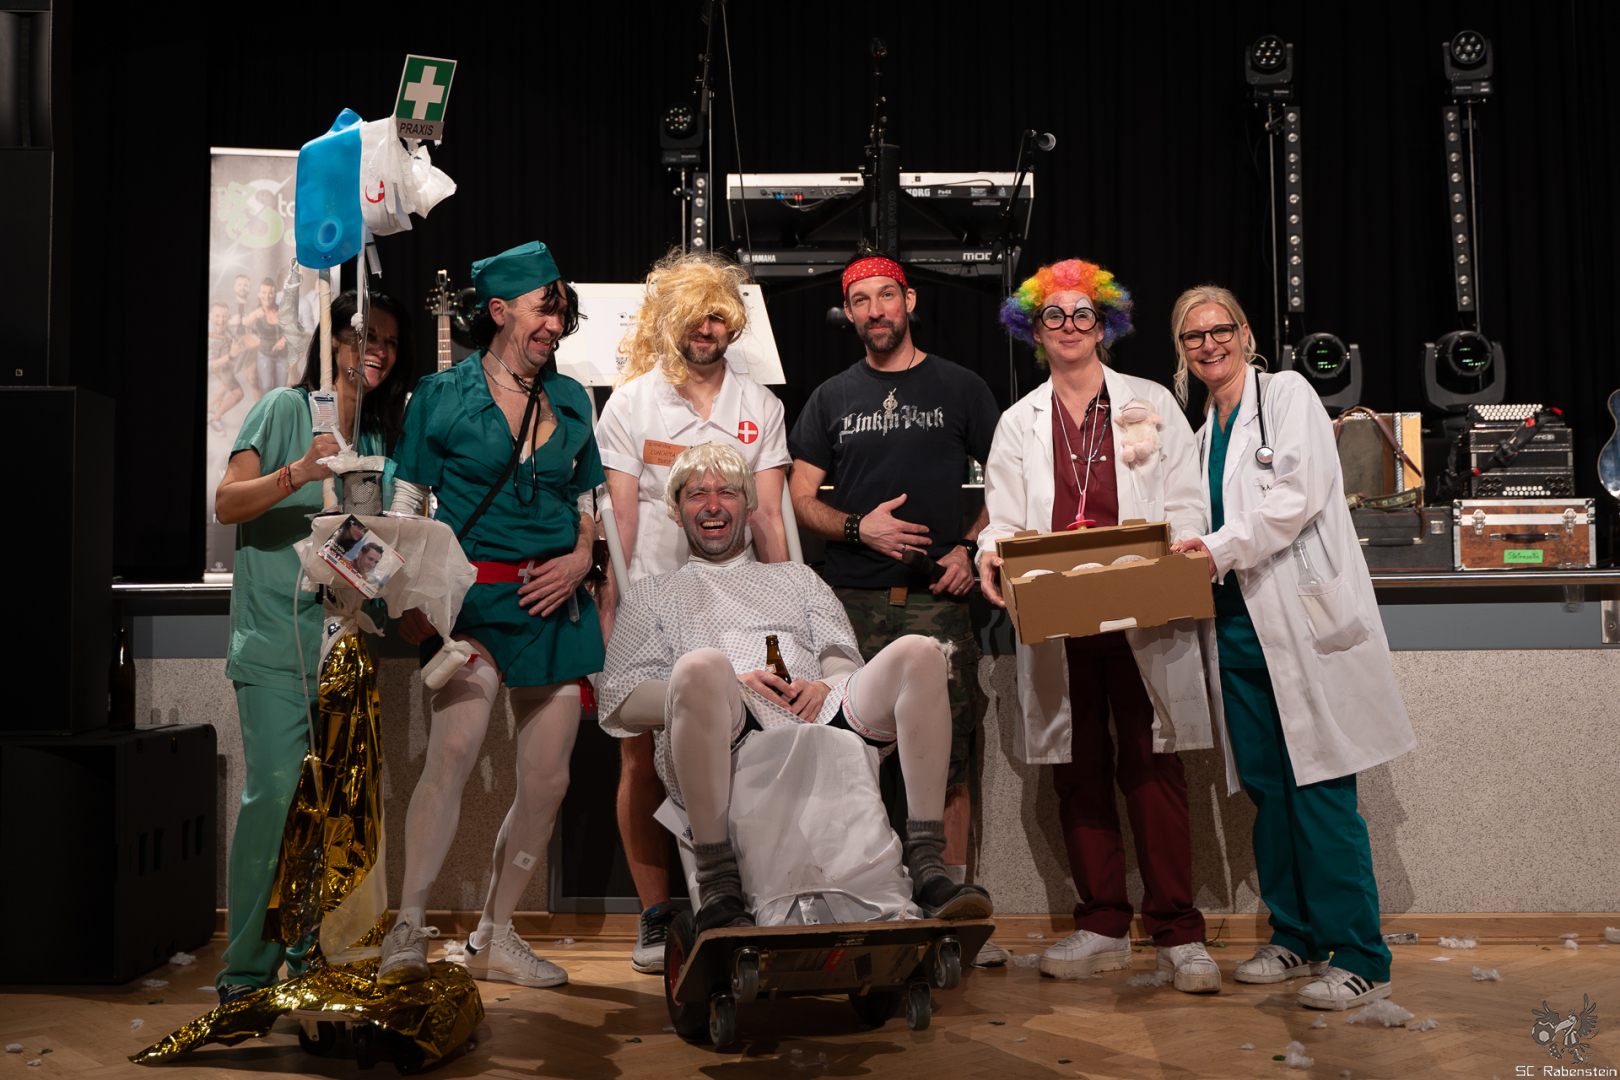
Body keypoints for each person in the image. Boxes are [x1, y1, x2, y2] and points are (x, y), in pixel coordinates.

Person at [598, 443, 992, 932]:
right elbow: (623, 700)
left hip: (818, 714)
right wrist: (722, 687)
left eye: (727, 492)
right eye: (697, 494)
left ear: (748, 506)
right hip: (726, 729)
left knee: (922, 651)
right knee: (702, 666)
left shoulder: (797, 578)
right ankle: (718, 880)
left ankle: (928, 864)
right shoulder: (653, 594)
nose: (713, 504)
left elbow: (842, 661)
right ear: (677, 513)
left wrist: (826, 686)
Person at [1166, 284, 1416, 1010]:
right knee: (1270, 795)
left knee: (1322, 792)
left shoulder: (1287, 395)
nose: (1209, 344)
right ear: (1181, 351)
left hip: (1303, 629)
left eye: (1220, 330)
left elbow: (1294, 498)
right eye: (1193, 336)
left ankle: (1361, 955)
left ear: (1245, 334)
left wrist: (1215, 549)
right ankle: (1296, 935)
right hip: (1238, 636)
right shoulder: (1203, 432)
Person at [976, 258, 1220, 992]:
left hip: (1142, 606)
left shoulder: (1150, 402)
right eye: (1054, 315)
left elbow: (1187, 502)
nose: (1070, 326)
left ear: (1104, 324)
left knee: (1154, 765)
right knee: (1078, 768)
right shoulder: (1018, 422)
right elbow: (1003, 518)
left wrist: (1180, 551)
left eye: (1084, 314)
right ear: (1033, 329)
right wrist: (991, 554)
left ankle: (1178, 932)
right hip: (1061, 612)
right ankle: (1103, 924)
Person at [378, 241, 606, 991]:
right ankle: (408, 926)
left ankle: (496, 935)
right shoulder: (441, 394)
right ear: (501, 310)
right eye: (545, 308)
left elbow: (589, 501)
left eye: (562, 311)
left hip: (556, 604)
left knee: (548, 781)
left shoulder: (572, 397)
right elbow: (406, 503)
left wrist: (582, 558)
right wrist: (409, 596)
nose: (556, 323)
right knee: (452, 753)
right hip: (472, 602)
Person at [787, 253, 1003, 961]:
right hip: (848, 605)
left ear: (909, 301)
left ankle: (954, 922)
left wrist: (969, 548)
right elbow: (800, 497)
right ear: (848, 313)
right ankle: (870, 907)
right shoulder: (831, 398)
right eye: (860, 300)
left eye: (886, 295)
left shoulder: (961, 387)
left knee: (948, 760)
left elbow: (1012, 480)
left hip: (937, 605)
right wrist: (859, 528)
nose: (875, 310)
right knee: (850, 754)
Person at [593, 249, 791, 973]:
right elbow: (619, 520)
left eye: (718, 316)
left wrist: (790, 604)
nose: (706, 330)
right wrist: (613, 618)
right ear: (669, 320)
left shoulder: (759, 405)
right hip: (656, 599)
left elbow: (769, 516)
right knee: (641, 750)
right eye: (693, 316)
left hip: (741, 600)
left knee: (749, 736)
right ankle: (656, 915)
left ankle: (748, 895)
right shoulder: (632, 403)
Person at [212, 289, 411, 1005]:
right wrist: (300, 470)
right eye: (365, 335)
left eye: (388, 340)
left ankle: (310, 962)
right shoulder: (284, 409)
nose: (377, 350)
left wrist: (405, 573)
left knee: (333, 811)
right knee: (274, 800)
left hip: (343, 645)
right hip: (274, 643)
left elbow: (356, 548)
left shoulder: (379, 441)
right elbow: (227, 503)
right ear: (333, 340)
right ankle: (245, 973)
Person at [241, 277, 290, 395]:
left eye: (270, 293)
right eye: (264, 292)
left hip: (282, 356)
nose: (267, 296)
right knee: (266, 388)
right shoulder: (256, 312)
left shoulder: (281, 309)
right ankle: (266, 407)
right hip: (265, 355)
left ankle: (277, 408)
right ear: (259, 294)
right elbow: (246, 323)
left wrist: (284, 339)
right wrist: (254, 314)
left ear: (274, 294)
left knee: (280, 390)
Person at [206, 301, 246, 431]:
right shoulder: (210, 338)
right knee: (238, 394)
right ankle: (215, 419)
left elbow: (228, 327)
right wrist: (231, 355)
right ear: (210, 315)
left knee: (224, 385)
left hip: (225, 364)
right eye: (217, 316)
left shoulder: (222, 325)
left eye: (224, 316)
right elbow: (211, 365)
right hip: (218, 366)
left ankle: (209, 408)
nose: (221, 320)